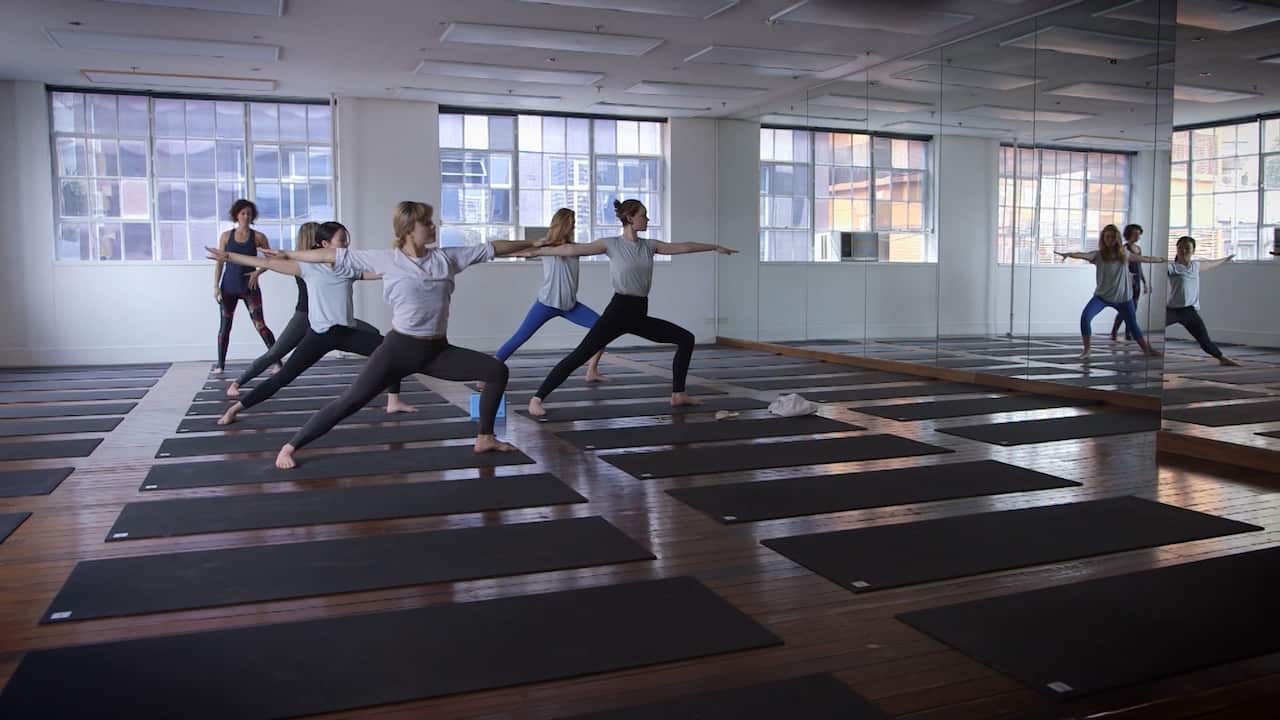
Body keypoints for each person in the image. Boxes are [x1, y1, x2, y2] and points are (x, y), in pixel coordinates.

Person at [260, 201, 548, 469]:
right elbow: (329, 255)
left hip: (437, 351)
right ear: (410, 228)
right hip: (398, 350)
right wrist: (288, 254)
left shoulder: (447, 258)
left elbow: (493, 248)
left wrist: (533, 242)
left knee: (496, 371)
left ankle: (485, 437)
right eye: (427, 223)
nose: (434, 227)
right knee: (350, 401)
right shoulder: (387, 260)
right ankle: (290, 446)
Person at [517, 198, 737, 418]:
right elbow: (572, 249)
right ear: (630, 218)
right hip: (618, 312)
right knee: (579, 355)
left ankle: (678, 394)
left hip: (639, 313)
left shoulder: (650, 246)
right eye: (643, 215)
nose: (647, 219)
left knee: (686, 339)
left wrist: (714, 247)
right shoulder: (611, 244)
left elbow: (684, 246)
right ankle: (536, 399)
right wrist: (536, 251)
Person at [207, 221, 418, 425]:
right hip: (319, 336)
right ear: (325, 245)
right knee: (282, 378)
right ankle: (235, 409)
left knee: (390, 351)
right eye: (342, 240)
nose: (346, 245)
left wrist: (408, 264)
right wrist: (228, 256)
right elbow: (264, 262)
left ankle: (393, 400)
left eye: (347, 240)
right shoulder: (308, 268)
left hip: (346, 333)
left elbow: (384, 271)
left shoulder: (349, 268)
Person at [494, 208, 607, 383]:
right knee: (519, 338)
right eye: (572, 223)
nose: (574, 227)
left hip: (570, 306)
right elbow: (523, 252)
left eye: (575, 223)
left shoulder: (575, 248)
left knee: (604, 330)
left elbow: (598, 249)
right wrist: (494, 253)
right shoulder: (545, 246)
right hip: (546, 304)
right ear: (563, 225)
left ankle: (591, 371)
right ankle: (486, 375)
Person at [224, 222, 318, 397]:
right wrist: (258, 271)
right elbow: (270, 261)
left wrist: (258, 272)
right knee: (274, 353)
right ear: (312, 238)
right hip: (304, 315)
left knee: (371, 334)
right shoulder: (296, 260)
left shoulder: (322, 259)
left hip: (327, 316)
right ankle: (237, 383)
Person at [1056, 223, 1165, 359]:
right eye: (1107, 237)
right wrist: (1070, 254)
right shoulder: (1098, 255)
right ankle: (1087, 349)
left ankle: (1146, 349)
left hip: (1123, 298)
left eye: (1112, 237)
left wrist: (1161, 260)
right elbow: (1084, 255)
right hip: (1102, 297)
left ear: (1117, 239)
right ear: (1103, 238)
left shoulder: (1124, 254)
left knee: (1132, 325)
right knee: (1085, 318)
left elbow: (1144, 259)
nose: (1109, 239)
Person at [211, 199, 277, 374]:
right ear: (236, 215)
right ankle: (220, 365)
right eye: (243, 213)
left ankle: (277, 362)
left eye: (249, 213)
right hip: (228, 288)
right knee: (225, 327)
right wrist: (215, 286)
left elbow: (271, 260)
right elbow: (219, 263)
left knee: (260, 325)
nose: (246, 216)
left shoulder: (258, 237)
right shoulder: (226, 236)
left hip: (249, 287)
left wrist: (258, 272)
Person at [1167, 236, 1240, 366]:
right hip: (1173, 310)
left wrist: (1226, 259)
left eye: (1187, 248)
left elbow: (1212, 263)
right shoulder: (1172, 267)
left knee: (1204, 341)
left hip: (1190, 312)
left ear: (1193, 251)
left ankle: (1222, 358)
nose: (1183, 250)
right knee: (1148, 326)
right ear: (1176, 250)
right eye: (1180, 248)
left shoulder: (1195, 266)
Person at [1109, 224, 1147, 341]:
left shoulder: (1138, 249)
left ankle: (1128, 332)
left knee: (1133, 308)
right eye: (1135, 234)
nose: (1138, 236)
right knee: (1125, 308)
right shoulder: (1124, 249)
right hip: (1128, 281)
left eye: (1139, 234)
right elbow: (1122, 267)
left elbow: (1139, 267)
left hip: (1137, 281)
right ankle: (1114, 331)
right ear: (1129, 234)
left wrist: (1144, 282)